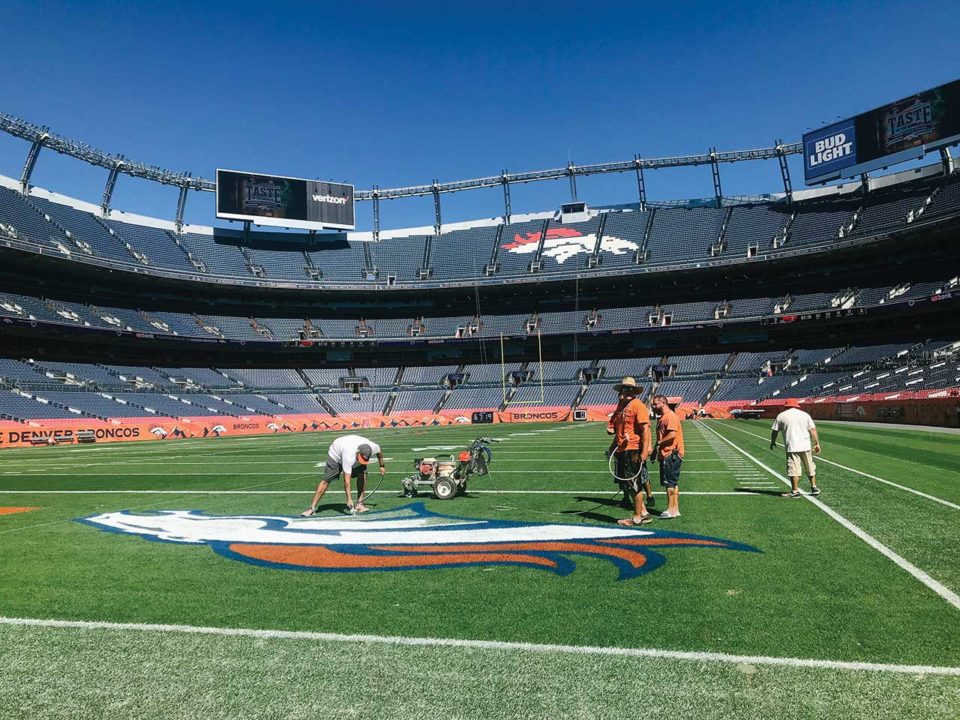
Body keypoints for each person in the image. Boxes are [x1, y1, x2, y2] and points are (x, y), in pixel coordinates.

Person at [606, 377, 654, 526]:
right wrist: (612, 445)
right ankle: (644, 513)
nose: (620, 392)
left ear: (631, 391)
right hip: (622, 449)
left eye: (624, 389)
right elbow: (615, 429)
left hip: (632, 449)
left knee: (634, 483)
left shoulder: (637, 405)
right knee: (628, 483)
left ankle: (637, 517)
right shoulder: (621, 406)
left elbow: (645, 429)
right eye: (621, 388)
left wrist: (645, 450)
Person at [301, 434, 387, 516]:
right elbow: (346, 480)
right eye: (360, 459)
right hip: (335, 455)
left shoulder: (373, 447)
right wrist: (349, 499)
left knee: (363, 473)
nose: (361, 462)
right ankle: (312, 508)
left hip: (350, 448)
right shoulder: (349, 455)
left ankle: (360, 504)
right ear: (357, 453)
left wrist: (382, 466)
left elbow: (379, 453)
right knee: (326, 480)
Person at [769, 398, 821, 498]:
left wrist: (773, 441)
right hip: (805, 445)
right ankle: (814, 487)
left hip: (792, 446)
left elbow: (775, 431)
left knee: (793, 468)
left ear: (786, 405)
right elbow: (813, 430)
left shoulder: (782, 416)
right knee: (810, 466)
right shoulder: (805, 415)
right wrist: (817, 443)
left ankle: (795, 491)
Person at [651, 394, 684, 519]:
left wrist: (658, 444)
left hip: (671, 453)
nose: (653, 406)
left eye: (655, 404)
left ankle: (671, 510)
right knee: (673, 483)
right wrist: (655, 451)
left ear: (663, 403)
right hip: (667, 453)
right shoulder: (662, 418)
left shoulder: (670, 416)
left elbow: (671, 436)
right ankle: (675, 509)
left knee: (669, 483)